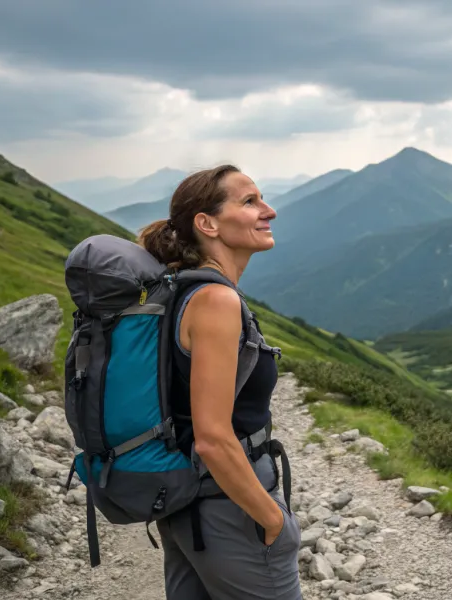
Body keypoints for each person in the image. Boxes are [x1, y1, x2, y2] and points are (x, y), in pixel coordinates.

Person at [137, 165, 303, 599]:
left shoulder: (180, 289)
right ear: (206, 223)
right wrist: (271, 519)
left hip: (188, 506)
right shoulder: (215, 300)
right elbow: (212, 437)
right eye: (249, 202)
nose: (269, 211)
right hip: (227, 510)